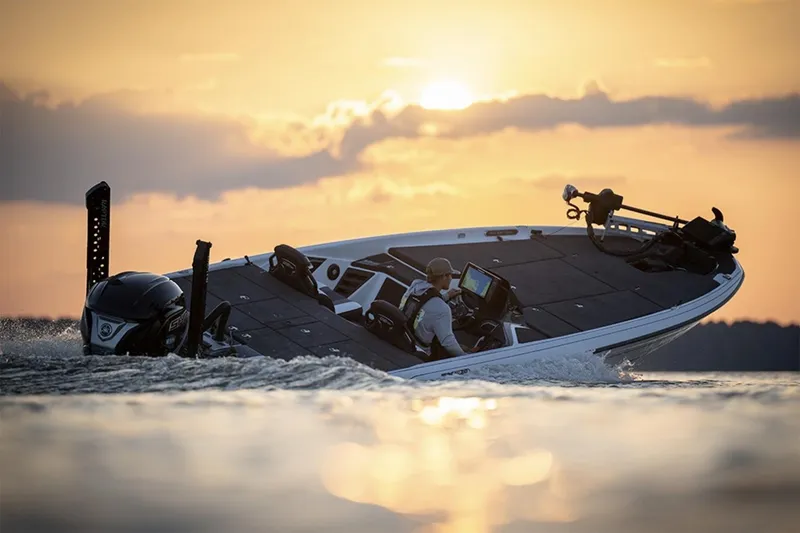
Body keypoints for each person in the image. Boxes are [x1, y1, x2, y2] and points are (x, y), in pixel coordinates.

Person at [399, 257, 474, 359]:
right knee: (463, 348)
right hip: (421, 351)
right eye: (450, 275)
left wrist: (446, 296)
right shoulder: (442, 309)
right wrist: (465, 358)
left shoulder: (415, 285)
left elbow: (423, 302)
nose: (451, 278)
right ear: (444, 276)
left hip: (404, 337)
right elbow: (448, 343)